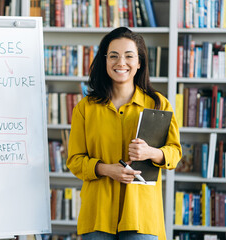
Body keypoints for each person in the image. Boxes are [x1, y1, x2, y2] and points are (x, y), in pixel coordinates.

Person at [66, 27, 182, 240]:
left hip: (142, 216)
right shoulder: (85, 108)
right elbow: (74, 160)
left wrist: (151, 152)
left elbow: (174, 153)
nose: (121, 62)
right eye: (113, 56)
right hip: (98, 215)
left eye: (129, 56)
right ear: (105, 61)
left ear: (139, 62)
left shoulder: (159, 104)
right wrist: (105, 169)